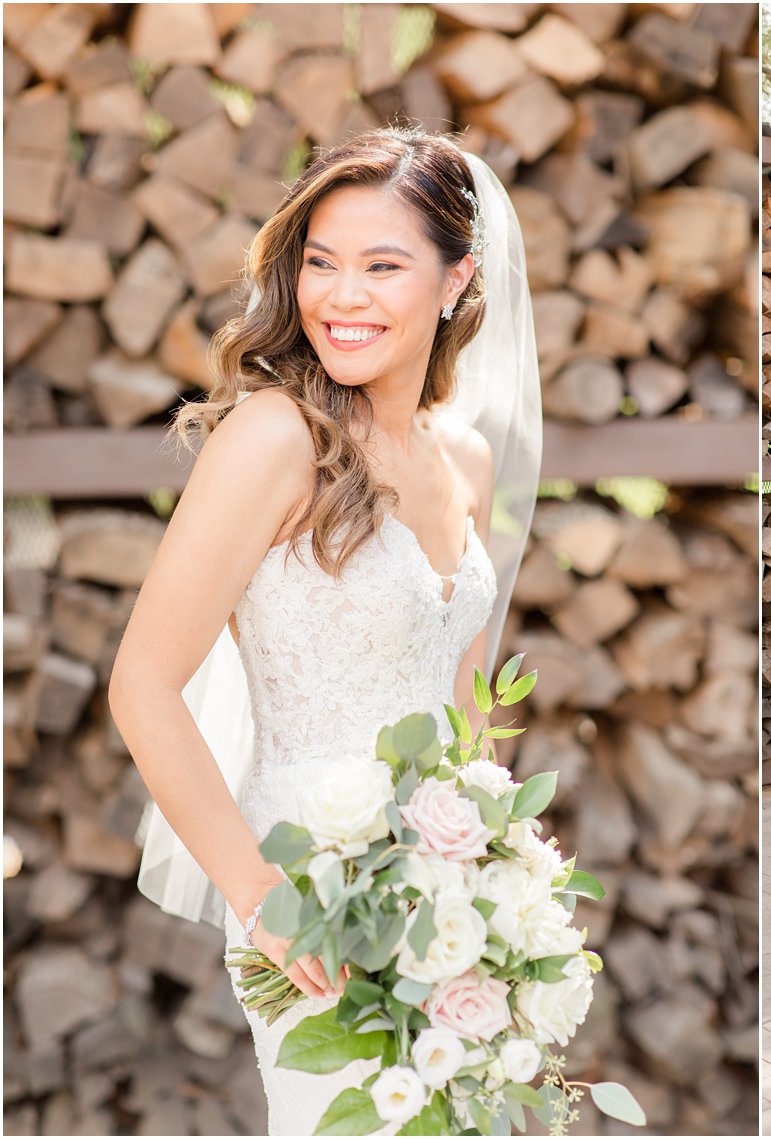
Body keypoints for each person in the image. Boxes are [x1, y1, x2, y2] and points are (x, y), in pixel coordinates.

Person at [110, 125, 541, 1134]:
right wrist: (259, 894)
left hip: (450, 896)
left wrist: (500, 863)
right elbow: (142, 683)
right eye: (321, 263)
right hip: (310, 897)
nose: (341, 298)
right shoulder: (274, 438)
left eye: (382, 266)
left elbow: (465, 695)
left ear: (454, 280)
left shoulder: (465, 457)